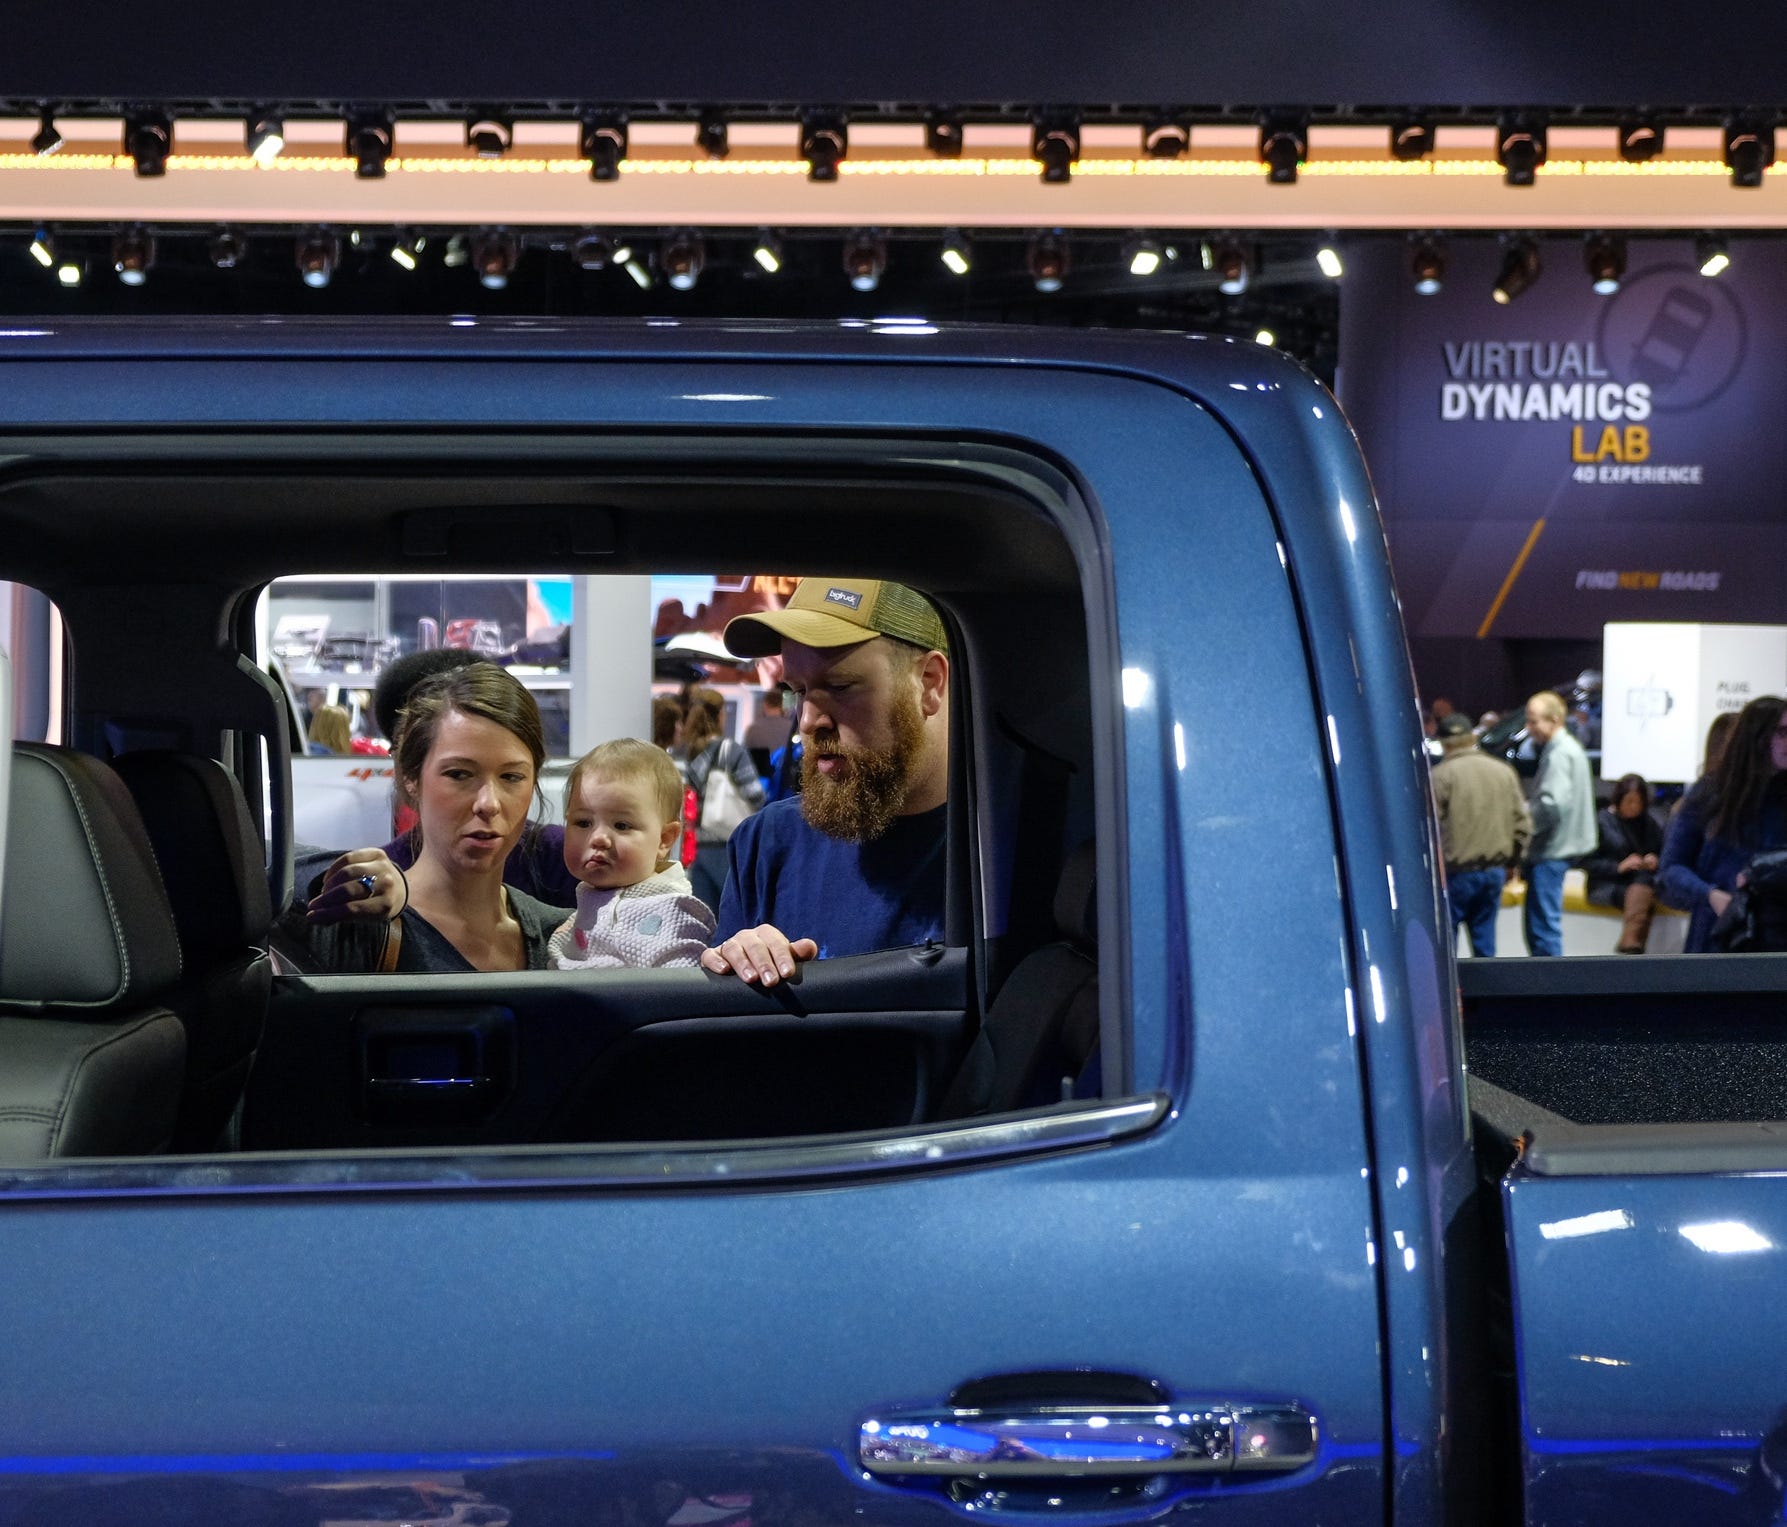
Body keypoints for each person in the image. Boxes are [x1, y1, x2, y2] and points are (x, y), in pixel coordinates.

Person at [700, 576, 949, 986]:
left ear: (929, 683)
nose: (810, 722)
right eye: (797, 691)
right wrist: (740, 960)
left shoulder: (995, 852)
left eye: (839, 687)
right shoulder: (767, 843)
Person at [282, 662, 562, 972]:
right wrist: (333, 875)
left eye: (512, 777)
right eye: (459, 774)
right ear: (411, 778)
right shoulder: (360, 927)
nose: (489, 803)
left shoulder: (564, 941)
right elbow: (246, 863)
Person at [548, 738, 715, 969]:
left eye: (621, 826)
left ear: (664, 839)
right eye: (583, 822)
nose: (598, 838)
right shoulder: (587, 900)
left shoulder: (671, 913)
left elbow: (681, 989)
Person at [1659, 695, 1787, 952]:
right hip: (1717, 935)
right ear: (1758, 737)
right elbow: (1671, 869)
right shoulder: (1710, 793)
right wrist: (1710, 895)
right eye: (1782, 732)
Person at [1430, 712, 1531, 957]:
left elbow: (1431, 828)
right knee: (1485, 945)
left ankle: (1453, 995)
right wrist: (1513, 863)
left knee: (1447, 950)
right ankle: (1486, 994)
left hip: (1455, 874)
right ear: (1472, 738)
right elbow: (1522, 825)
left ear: (1443, 743)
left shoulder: (1440, 777)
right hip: (1494, 872)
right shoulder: (1503, 771)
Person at [675, 685, 767, 909]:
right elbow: (755, 794)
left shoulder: (685, 752)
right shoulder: (730, 751)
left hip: (695, 846)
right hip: (726, 843)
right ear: (719, 715)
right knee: (732, 913)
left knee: (704, 915)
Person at [1520, 689, 1597, 956]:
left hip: (1551, 852)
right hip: (1558, 849)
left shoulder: (1559, 754)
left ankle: (1547, 993)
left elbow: (1552, 805)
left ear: (1554, 721)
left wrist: (1525, 829)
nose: (1529, 728)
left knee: (1543, 931)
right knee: (1543, 927)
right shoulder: (1568, 749)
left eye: (1533, 721)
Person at [1583, 772, 1664, 953]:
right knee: (1644, 888)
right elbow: (1586, 862)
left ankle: (1630, 942)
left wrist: (1653, 859)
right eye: (1629, 801)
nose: (1634, 807)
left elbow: (1661, 849)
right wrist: (1619, 867)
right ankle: (1630, 943)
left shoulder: (1648, 823)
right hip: (1606, 884)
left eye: (1638, 802)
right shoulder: (1602, 822)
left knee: (1645, 882)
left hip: (1639, 882)